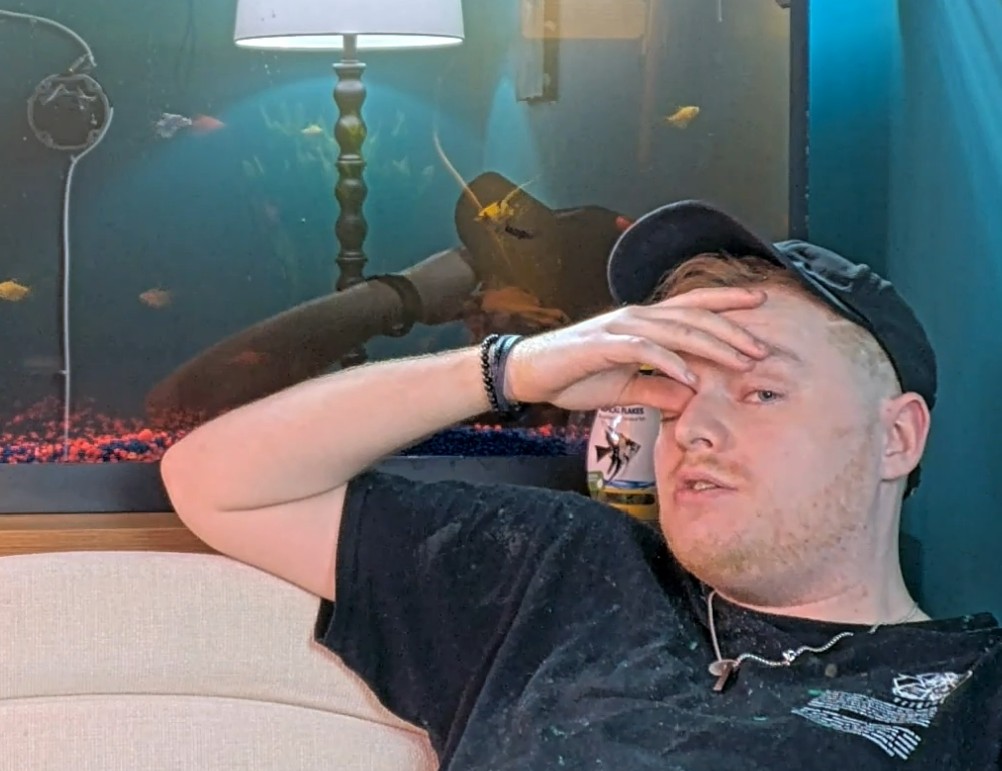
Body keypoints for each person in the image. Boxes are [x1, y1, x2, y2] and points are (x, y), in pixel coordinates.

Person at [161, 200, 1002, 770]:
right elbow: (216, 479)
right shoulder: (566, 571)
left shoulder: (975, 695)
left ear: (896, 437)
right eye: (676, 391)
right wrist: (512, 368)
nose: (694, 429)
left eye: (761, 392)